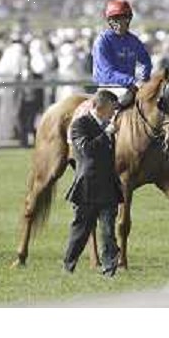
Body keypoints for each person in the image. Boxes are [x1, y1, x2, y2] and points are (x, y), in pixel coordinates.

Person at [63, 89, 122, 276]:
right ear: (100, 107)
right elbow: (87, 150)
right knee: (80, 230)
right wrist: (106, 134)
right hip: (87, 187)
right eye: (112, 108)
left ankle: (109, 269)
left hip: (108, 186)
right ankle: (68, 265)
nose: (114, 113)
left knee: (108, 231)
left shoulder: (107, 126)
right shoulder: (79, 125)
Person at [92, 0, 152, 109]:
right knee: (125, 95)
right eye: (115, 19)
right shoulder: (102, 41)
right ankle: (111, 125)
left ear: (128, 19)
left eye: (123, 18)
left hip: (130, 86)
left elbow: (145, 61)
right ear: (109, 21)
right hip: (109, 87)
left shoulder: (134, 40)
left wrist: (144, 78)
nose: (120, 23)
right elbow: (107, 73)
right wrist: (134, 81)